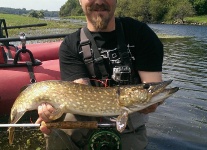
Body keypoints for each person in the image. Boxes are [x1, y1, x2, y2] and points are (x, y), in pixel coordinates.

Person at [36, 0, 164, 149]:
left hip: (129, 125)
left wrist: (152, 102)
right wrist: (50, 111)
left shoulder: (141, 34)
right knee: (54, 129)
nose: (99, 1)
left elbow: (151, 89)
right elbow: (79, 93)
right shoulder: (71, 44)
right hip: (82, 122)